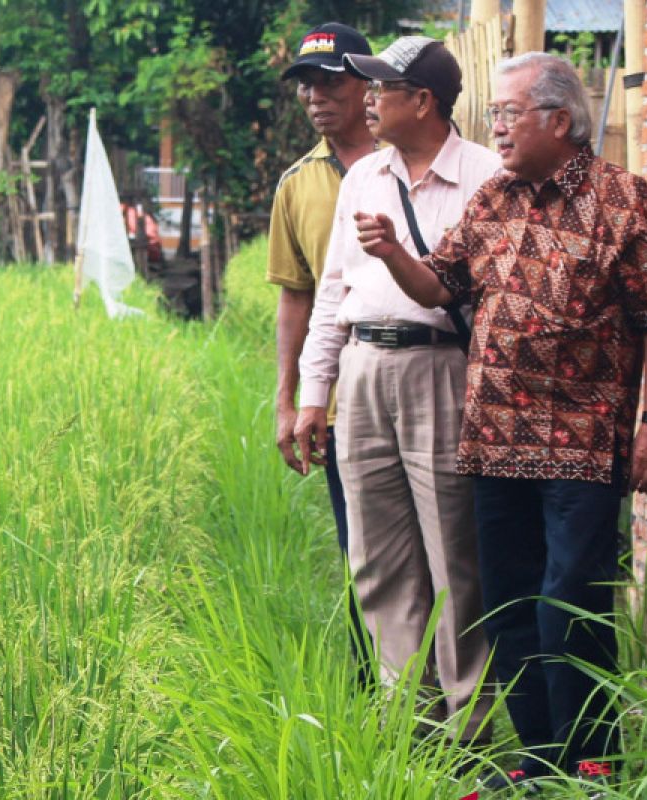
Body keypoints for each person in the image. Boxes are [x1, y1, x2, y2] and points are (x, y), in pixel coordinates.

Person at [358, 51, 647, 789]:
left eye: (510, 113)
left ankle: (595, 758)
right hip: (493, 442)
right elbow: (435, 284)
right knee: (510, 608)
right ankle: (540, 760)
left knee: (568, 607)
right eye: (496, 115)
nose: (497, 128)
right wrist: (390, 254)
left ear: (560, 119)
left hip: (584, 444)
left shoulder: (623, 199)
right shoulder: (492, 200)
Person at [294, 36, 500, 744]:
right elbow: (332, 293)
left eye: (384, 90)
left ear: (425, 102)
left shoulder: (485, 176)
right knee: (378, 561)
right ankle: (407, 727)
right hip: (362, 370)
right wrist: (313, 391)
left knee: (455, 554)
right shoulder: (364, 178)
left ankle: (470, 731)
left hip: (441, 370)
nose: (371, 102)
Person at [268, 22, 377, 689]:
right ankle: (378, 691)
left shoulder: (407, 162)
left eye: (331, 81)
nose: (317, 96)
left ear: (366, 83)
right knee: (359, 548)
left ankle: (458, 698)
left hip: (418, 377)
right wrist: (287, 400)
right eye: (307, 84)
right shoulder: (298, 184)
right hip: (338, 400)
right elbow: (295, 301)